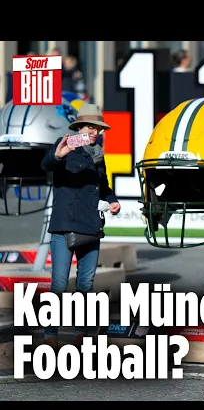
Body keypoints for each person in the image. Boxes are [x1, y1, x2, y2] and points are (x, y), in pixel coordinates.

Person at [40, 104, 121, 350]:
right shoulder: (64, 145)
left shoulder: (99, 154)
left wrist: (112, 201)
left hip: (91, 227)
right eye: (89, 127)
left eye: (98, 128)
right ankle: (50, 334)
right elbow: (46, 165)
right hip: (64, 226)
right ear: (79, 128)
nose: (94, 132)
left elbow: (104, 186)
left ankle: (81, 333)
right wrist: (58, 155)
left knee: (86, 284)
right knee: (59, 284)